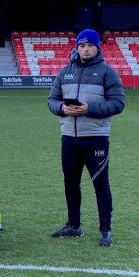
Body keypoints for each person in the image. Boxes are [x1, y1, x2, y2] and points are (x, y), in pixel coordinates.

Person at [47, 29, 126, 246]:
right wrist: (63, 108)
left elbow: (118, 103)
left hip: (96, 138)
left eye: (90, 45)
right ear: (77, 48)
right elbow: (51, 101)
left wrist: (88, 109)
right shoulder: (65, 72)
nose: (86, 49)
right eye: (82, 46)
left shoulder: (107, 72)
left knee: (101, 184)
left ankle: (105, 230)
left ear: (97, 47)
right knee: (70, 183)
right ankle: (74, 226)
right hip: (69, 138)